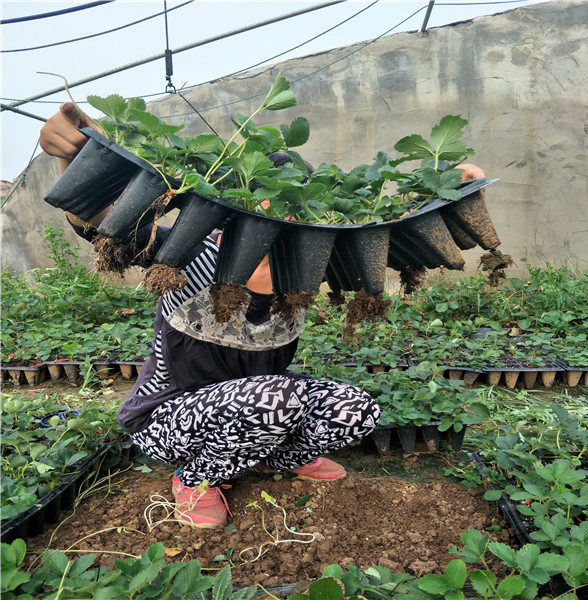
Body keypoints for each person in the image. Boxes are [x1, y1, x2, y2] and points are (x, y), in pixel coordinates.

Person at [40, 103, 486, 529]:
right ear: (233, 205)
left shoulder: (305, 272)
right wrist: (79, 157)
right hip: (168, 419)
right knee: (277, 398)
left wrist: (444, 189)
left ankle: (278, 454)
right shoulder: (190, 253)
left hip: (259, 404)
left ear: (310, 216)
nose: (272, 213)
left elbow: (389, 236)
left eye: (290, 201)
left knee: (357, 409)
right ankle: (194, 478)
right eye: (259, 198)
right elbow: (103, 221)